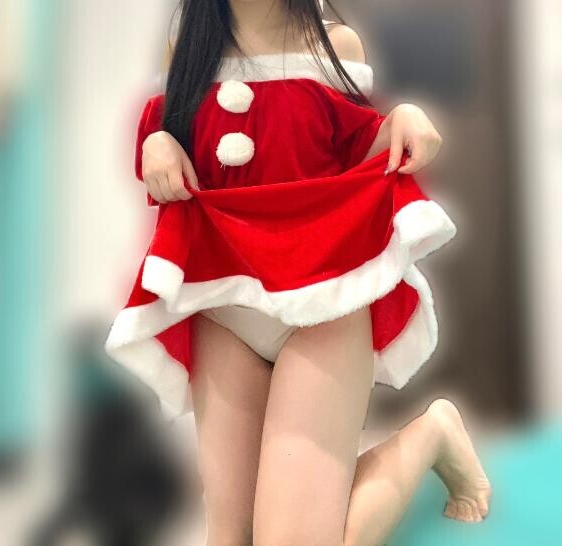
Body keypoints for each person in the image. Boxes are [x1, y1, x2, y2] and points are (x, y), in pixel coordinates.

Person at [105, 1, 492, 544]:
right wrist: (157, 142)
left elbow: (360, 149)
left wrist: (402, 117)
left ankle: (433, 433)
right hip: (224, 307)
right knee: (232, 535)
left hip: (324, 303)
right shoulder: (186, 53)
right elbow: (168, 135)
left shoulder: (336, 46)